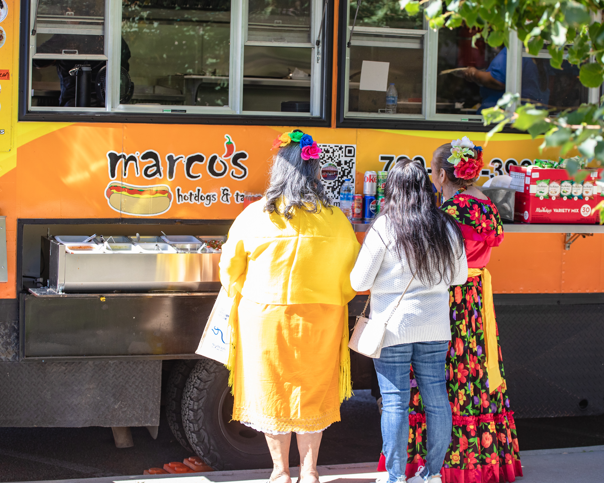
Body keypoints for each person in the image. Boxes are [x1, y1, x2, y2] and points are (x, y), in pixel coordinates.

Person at [219, 130, 360, 483]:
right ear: (315, 171)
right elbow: (352, 279)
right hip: (321, 318)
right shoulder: (336, 220)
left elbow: (230, 270)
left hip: (265, 317)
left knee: (272, 390)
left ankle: (280, 472)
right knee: (313, 391)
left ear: (277, 170)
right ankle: (309, 472)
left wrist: (248, 291)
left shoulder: (254, 215)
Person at [383, 138, 523, 483]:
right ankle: (483, 460)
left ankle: (436, 464)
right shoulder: (486, 205)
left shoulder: (451, 212)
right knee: (475, 371)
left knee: (439, 378)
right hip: (476, 297)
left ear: (443, 176)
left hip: (448, 298)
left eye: (433, 172)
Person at [351, 159, 468, 483]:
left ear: (392, 190)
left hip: (392, 329)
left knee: (394, 403)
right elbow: (459, 277)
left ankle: (395, 476)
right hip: (435, 327)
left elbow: (359, 281)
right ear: (427, 188)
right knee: (437, 400)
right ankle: (432, 474)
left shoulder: (384, 227)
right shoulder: (446, 226)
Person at [463, 47, 550, 111]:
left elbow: (497, 81)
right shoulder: (535, 53)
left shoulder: (513, 47)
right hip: (531, 116)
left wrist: (474, 73)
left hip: (502, 118)